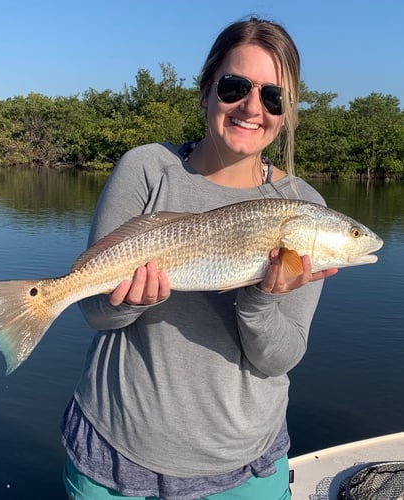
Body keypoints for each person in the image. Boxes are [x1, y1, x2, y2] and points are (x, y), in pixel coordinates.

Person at [61, 16, 337, 500]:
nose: (253, 108)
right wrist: (128, 302)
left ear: (288, 111)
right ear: (207, 89)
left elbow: (279, 359)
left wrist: (260, 301)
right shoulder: (146, 169)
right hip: (116, 457)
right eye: (235, 87)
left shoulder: (305, 209)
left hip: (243, 465)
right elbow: (95, 313)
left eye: (274, 96)